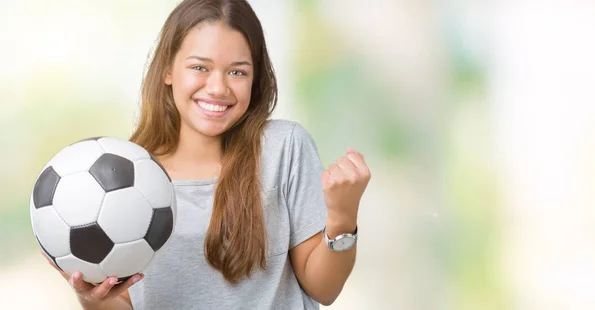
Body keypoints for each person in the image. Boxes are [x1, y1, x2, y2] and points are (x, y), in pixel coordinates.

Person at [45, 0, 370, 309]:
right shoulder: (126, 179)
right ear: (168, 70)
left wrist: (342, 219)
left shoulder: (284, 148)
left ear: (255, 79)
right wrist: (93, 302)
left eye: (237, 72)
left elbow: (324, 289)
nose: (218, 88)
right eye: (200, 67)